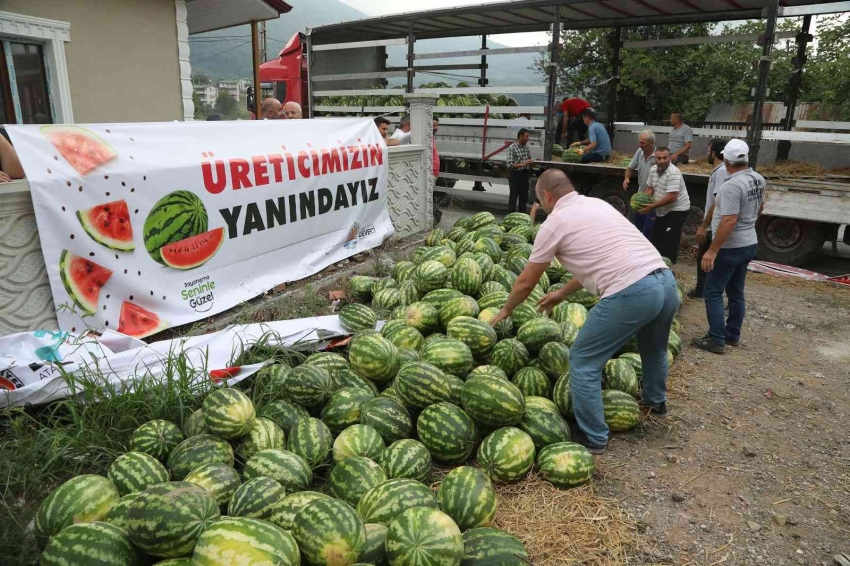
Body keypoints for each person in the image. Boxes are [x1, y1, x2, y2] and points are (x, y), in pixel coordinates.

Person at [490, 169, 677, 454]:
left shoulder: (555, 223)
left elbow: (526, 281)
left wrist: (505, 310)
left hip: (631, 291)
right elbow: (602, 258)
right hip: (664, 283)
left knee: (583, 360)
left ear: (547, 196)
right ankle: (656, 403)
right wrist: (561, 293)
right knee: (653, 349)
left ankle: (594, 437)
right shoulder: (597, 204)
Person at [692, 140, 764, 354]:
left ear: (726, 160)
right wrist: (748, 225)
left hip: (730, 247)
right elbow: (760, 208)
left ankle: (716, 339)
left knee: (712, 291)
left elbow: (729, 221)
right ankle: (732, 335)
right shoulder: (758, 179)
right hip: (749, 242)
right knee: (736, 292)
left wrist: (712, 250)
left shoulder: (732, 185)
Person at [688, 139, 729, 300]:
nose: (706, 153)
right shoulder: (720, 171)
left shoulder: (720, 172)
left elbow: (717, 202)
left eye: (707, 150)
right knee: (702, 258)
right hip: (712, 224)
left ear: (713, 153)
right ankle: (702, 290)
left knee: (706, 259)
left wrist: (704, 226)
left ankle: (705, 291)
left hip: (713, 225)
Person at [639, 147, 691, 263]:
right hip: (662, 209)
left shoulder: (673, 173)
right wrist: (643, 201)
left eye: (665, 158)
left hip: (677, 209)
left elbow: (672, 197)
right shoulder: (653, 170)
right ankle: (657, 264)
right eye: (659, 158)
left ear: (669, 158)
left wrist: (652, 206)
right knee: (657, 237)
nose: (662, 161)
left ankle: (669, 267)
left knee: (670, 240)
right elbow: (650, 189)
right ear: (655, 159)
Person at [623, 129, 657, 236]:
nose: (640, 145)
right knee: (638, 228)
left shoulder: (658, 157)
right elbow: (629, 168)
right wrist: (626, 178)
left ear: (651, 143)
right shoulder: (639, 152)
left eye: (643, 142)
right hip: (641, 196)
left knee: (648, 231)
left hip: (653, 200)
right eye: (639, 142)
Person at [506, 128, 534, 214]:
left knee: (523, 198)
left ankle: (522, 217)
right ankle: (510, 218)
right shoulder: (512, 148)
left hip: (524, 175)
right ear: (520, 136)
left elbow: (528, 159)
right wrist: (524, 164)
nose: (528, 138)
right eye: (526, 136)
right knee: (513, 199)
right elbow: (510, 165)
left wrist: (531, 162)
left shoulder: (526, 148)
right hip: (515, 175)